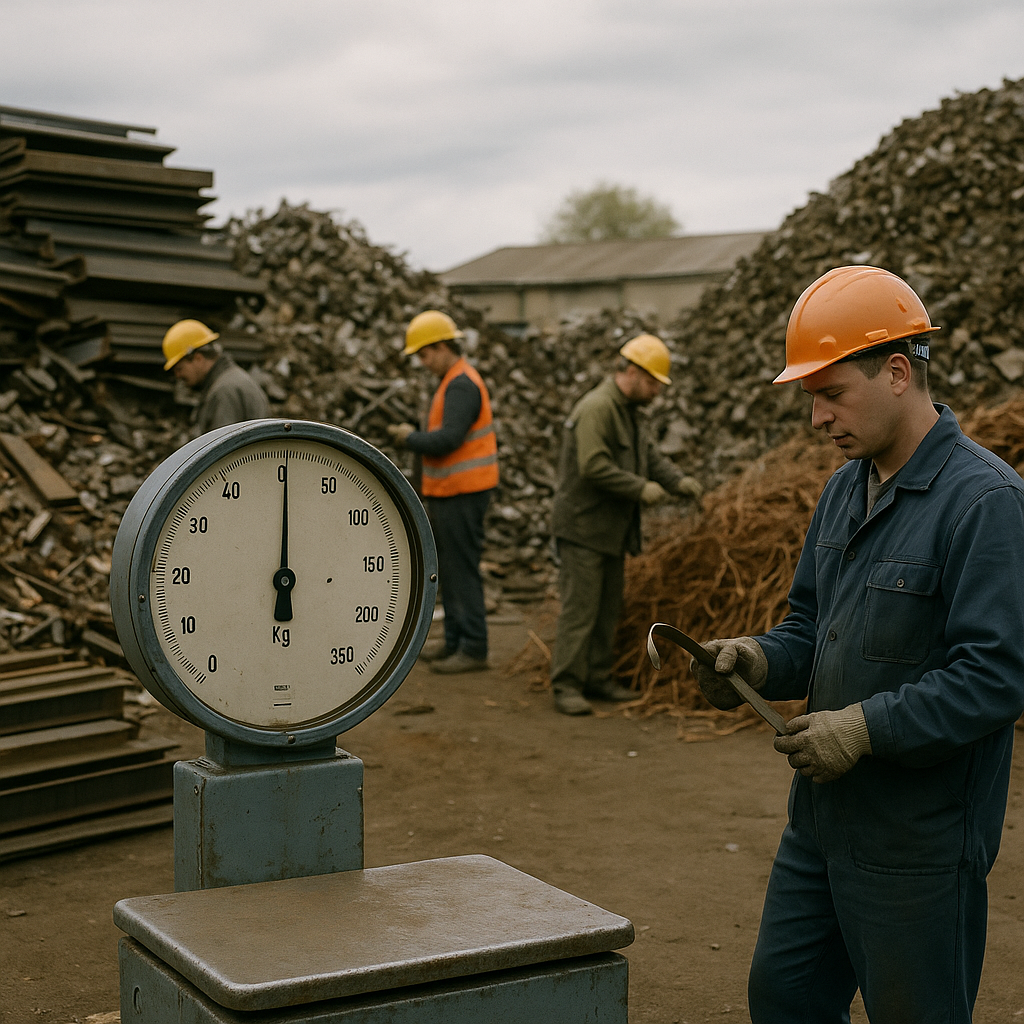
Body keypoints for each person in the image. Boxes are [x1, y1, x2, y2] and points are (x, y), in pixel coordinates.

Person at [691, 266, 1024, 1023]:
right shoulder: (847, 487)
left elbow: (997, 675)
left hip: (918, 848)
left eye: (831, 393)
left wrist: (864, 727)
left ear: (898, 372)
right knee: (784, 999)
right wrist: (755, 659)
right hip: (822, 824)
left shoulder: (986, 503)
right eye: (811, 398)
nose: (816, 418)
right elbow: (810, 628)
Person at [550, 334, 703, 716]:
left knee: (606, 610)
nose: (656, 392)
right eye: (652, 383)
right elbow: (593, 466)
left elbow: (649, 457)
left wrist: (676, 481)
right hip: (583, 529)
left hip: (610, 533)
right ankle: (566, 684)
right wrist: (640, 489)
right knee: (580, 611)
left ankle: (597, 678)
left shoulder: (630, 413)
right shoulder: (598, 408)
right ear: (631, 373)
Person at [387, 310, 498, 674]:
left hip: (463, 492)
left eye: (424, 354)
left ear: (441, 346)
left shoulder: (461, 384)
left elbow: (448, 439)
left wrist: (408, 438)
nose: (422, 362)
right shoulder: (451, 379)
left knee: (462, 569)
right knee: (448, 568)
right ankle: (454, 640)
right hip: (450, 491)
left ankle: (473, 646)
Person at [162, 319, 269, 435]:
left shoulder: (225, 391)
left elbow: (224, 449)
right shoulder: (228, 381)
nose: (178, 376)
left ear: (198, 359)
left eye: (179, 369)